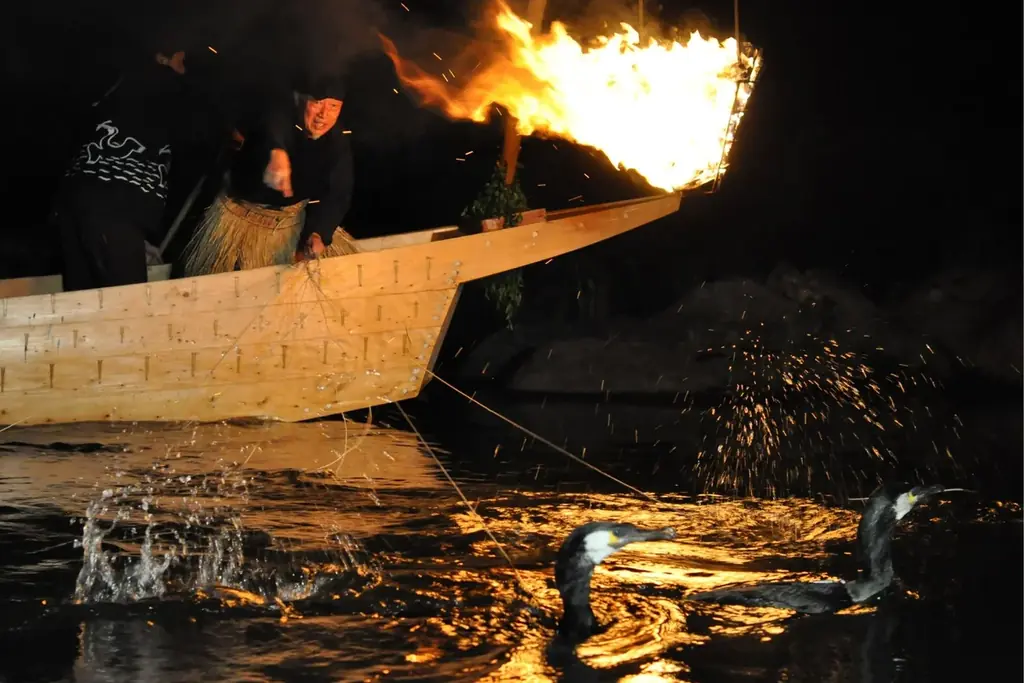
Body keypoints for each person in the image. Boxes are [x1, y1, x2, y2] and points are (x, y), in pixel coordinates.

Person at [53, 47, 220, 292]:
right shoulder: (165, 84)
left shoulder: (124, 82)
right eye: (182, 58)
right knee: (128, 304)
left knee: (83, 301)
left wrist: (135, 239)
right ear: (168, 57)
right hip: (113, 208)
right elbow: (199, 133)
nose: (185, 66)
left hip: (78, 207)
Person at [181, 73, 358, 277]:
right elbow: (273, 121)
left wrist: (320, 233)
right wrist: (276, 151)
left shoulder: (338, 142)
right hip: (239, 224)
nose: (323, 115)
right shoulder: (279, 115)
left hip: (290, 225)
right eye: (317, 103)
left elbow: (338, 191)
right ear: (300, 100)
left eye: (333, 107)